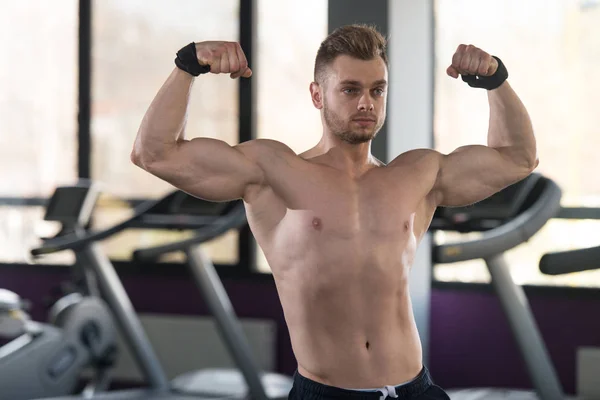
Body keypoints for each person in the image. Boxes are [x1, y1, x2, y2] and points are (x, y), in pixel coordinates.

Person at [131, 24, 538, 400]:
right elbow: (154, 153)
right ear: (317, 94)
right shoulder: (273, 170)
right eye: (349, 90)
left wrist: (495, 80)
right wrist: (187, 65)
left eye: (377, 90)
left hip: (415, 388)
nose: (366, 103)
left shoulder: (417, 174)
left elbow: (518, 158)